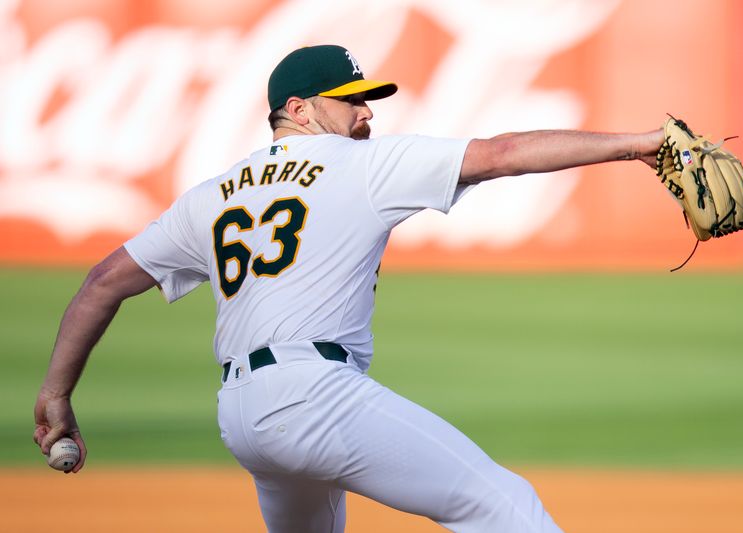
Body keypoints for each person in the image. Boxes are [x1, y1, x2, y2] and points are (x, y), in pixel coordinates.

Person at [34, 44, 663, 532]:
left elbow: (103, 282)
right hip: (313, 396)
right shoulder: (360, 165)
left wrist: (56, 393)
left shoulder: (212, 195)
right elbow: (500, 153)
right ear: (299, 110)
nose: (366, 112)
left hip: (243, 416)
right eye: (349, 99)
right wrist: (640, 145)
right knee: (501, 502)